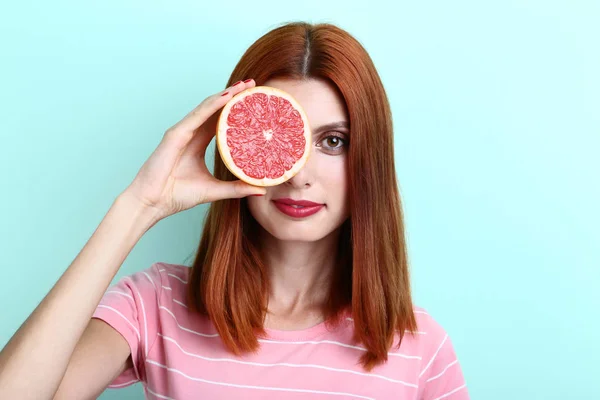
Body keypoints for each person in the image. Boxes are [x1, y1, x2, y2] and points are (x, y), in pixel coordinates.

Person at [0, 21, 469, 399]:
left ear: (370, 159)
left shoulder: (420, 348)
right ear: (232, 145)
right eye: (276, 137)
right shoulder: (154, 306)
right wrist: (138, 206)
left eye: (333, 141)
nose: (298, 174)